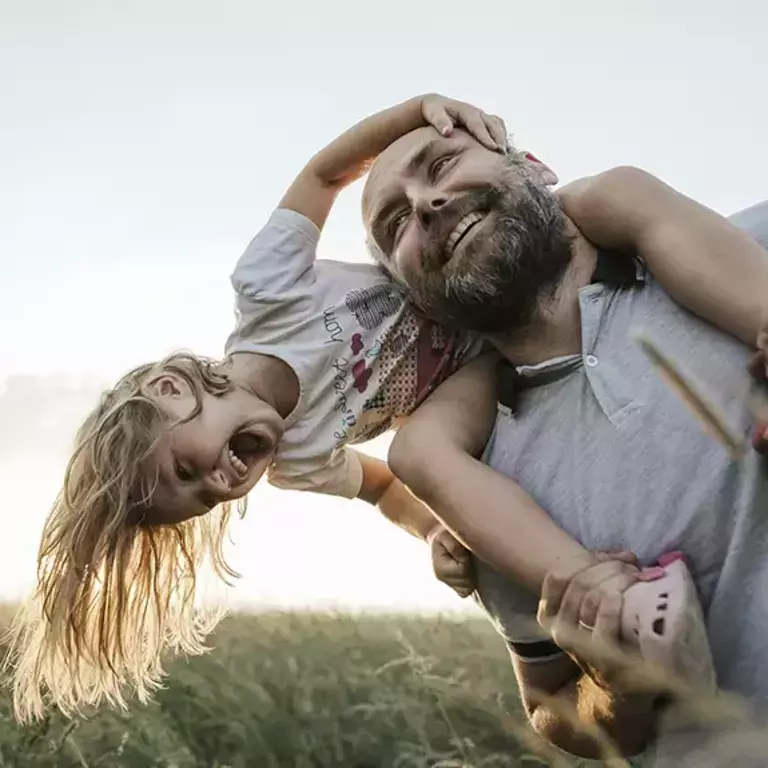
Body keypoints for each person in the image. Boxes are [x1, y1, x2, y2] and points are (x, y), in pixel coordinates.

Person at [6, 92, 763, 734]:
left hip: (557, 275)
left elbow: (322, 173)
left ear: (172, 389)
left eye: (188, 467)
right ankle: (611, 598)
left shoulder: (268, 295)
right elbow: (382, 486)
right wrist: (441, 532)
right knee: (417, 456)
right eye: (204, 498)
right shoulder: (363, 467)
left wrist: (413, 110)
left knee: (614, 190)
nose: (221, 481)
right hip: (472, 366)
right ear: (401, 276)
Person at [363, 124, 768, 763]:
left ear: (532, 164)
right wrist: (617, 688)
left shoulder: (745, 252)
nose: (426, 204)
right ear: (417, 298)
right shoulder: (480, 492)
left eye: (442, 163)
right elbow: (552, 708)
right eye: (395, 225)